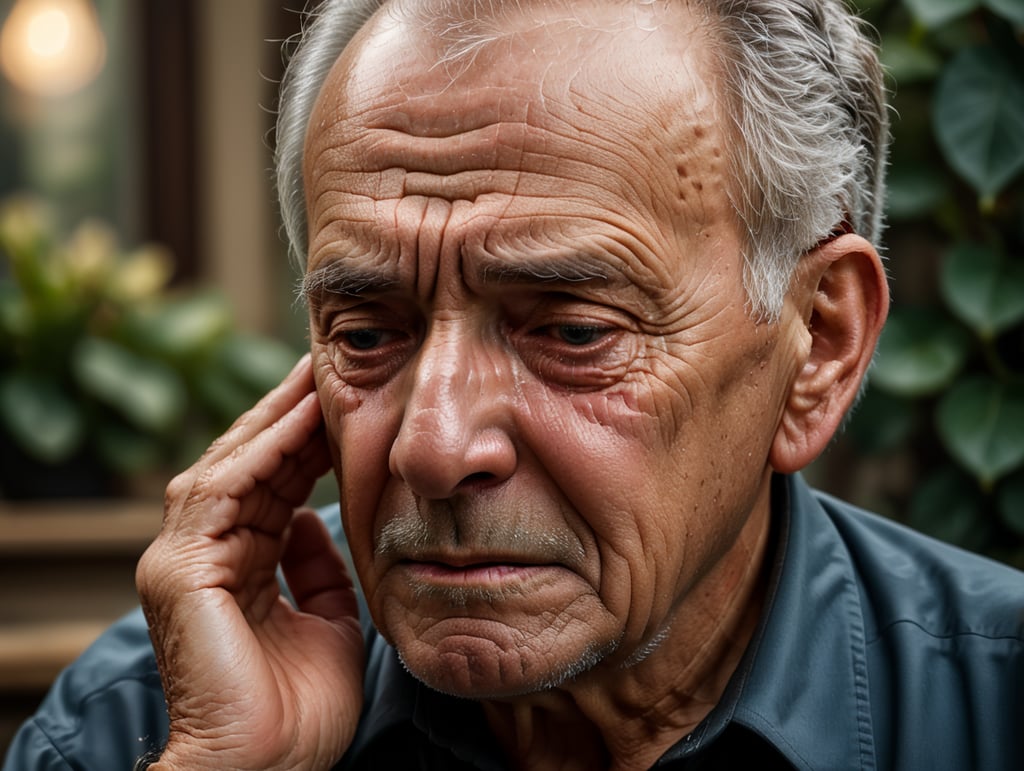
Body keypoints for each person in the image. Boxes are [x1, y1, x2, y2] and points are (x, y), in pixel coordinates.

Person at [5, 0, 1024, 768]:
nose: (433, 446)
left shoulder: (988, 707)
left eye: (572, 331)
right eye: (366, 333)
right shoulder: (152, 719)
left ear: (818, 347)